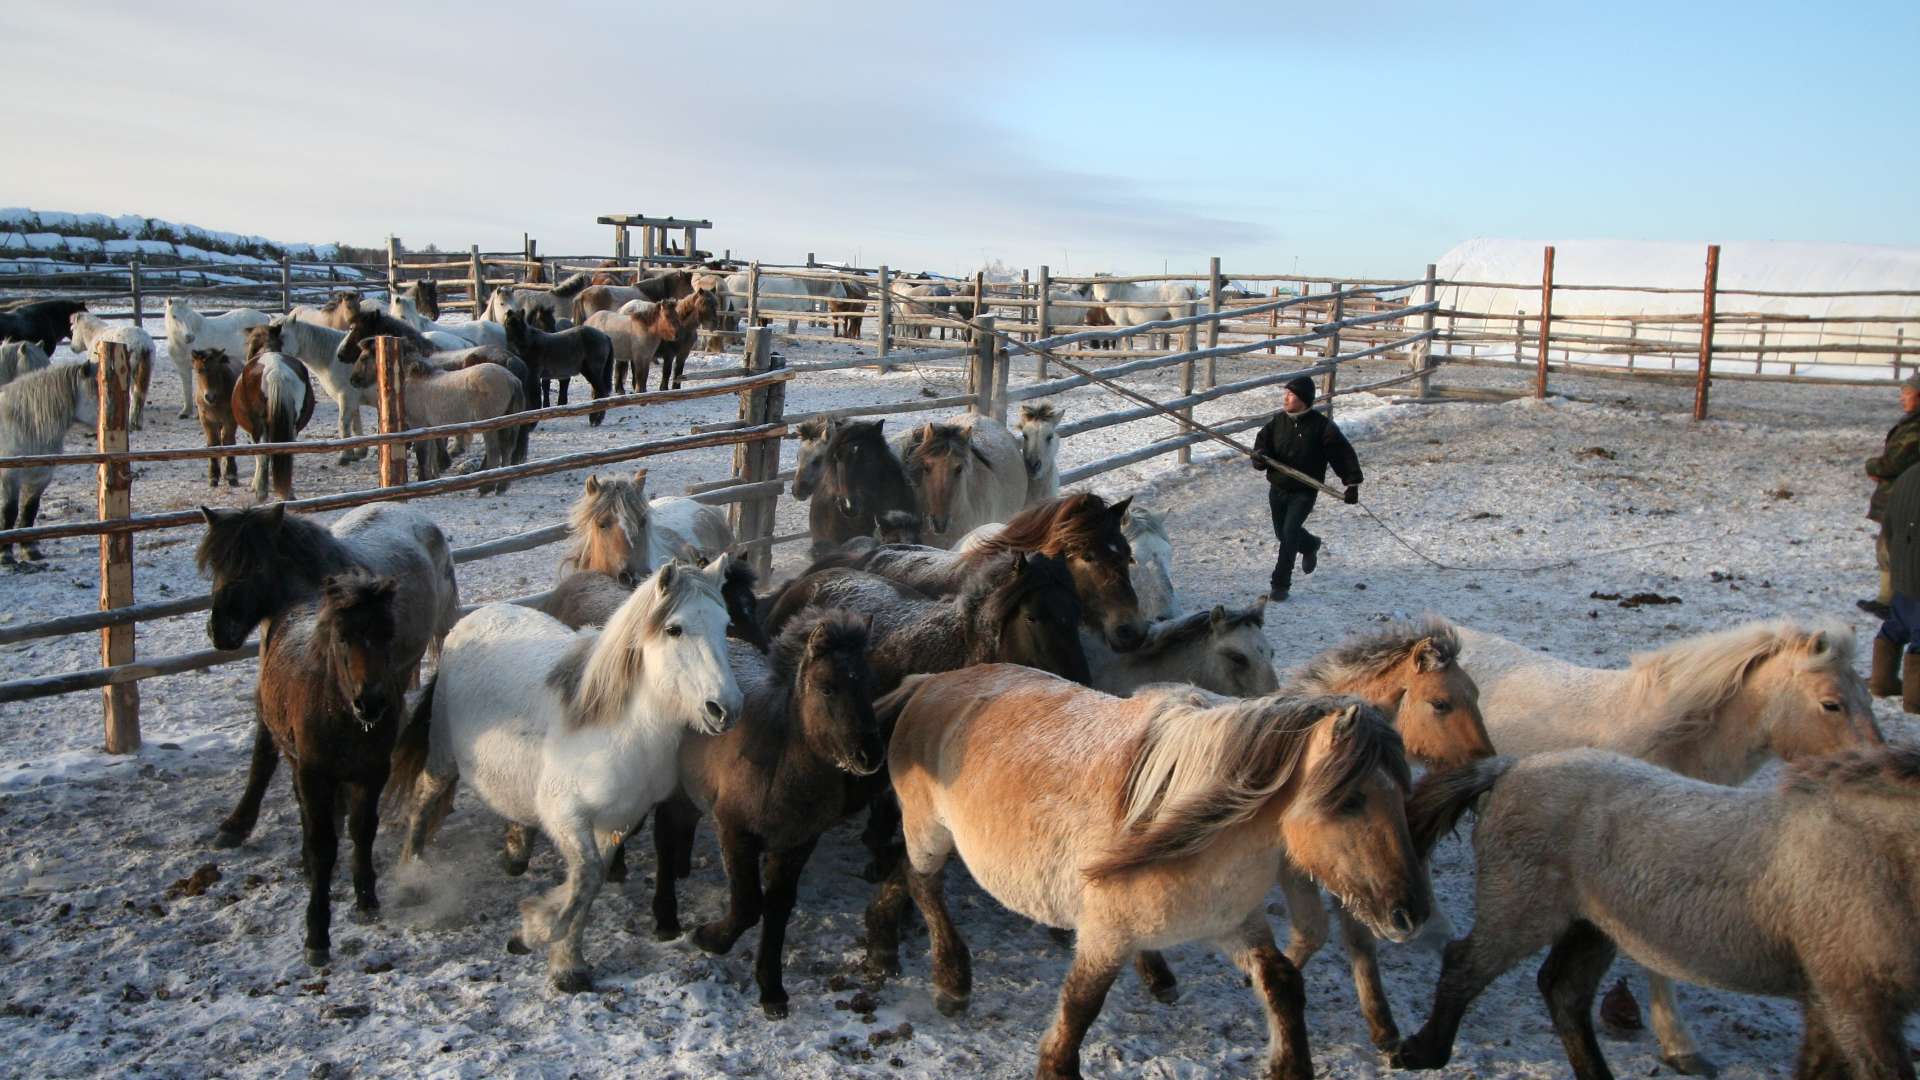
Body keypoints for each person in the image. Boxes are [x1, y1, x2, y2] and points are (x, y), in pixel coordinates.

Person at [1251, 376, 1361, 600]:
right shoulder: (1278, 422)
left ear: (1303, 399)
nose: (1286, 397)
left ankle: (1280, 584)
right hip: (1278, 487)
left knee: (1290, 533)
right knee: (1282, 533)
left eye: (1291, 394)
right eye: (1285, 393)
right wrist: (1260, 457)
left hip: (1304, 490)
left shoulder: (1322, 427)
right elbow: (1262, 444)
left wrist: (1351, 483)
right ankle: (1311, 544)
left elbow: (1342, 455)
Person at [1861, 373, 1920, 618]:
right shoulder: (1910, 423)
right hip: (1899, 495)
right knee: (1887, 545)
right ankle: (1887, 599)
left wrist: (1872, 466)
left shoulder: (1915, 428)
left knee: (1894, 548)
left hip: (1904, 498)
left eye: (1907, 393)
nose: (1902, 398)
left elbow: (1893, 463)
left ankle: (1895, 601)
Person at [1873, 462, 1920, 711]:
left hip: (1903, 569)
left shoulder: (1908, 474)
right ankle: (1916, 699)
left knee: (1897, 623)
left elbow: (1889, 524)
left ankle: (1882, 681)